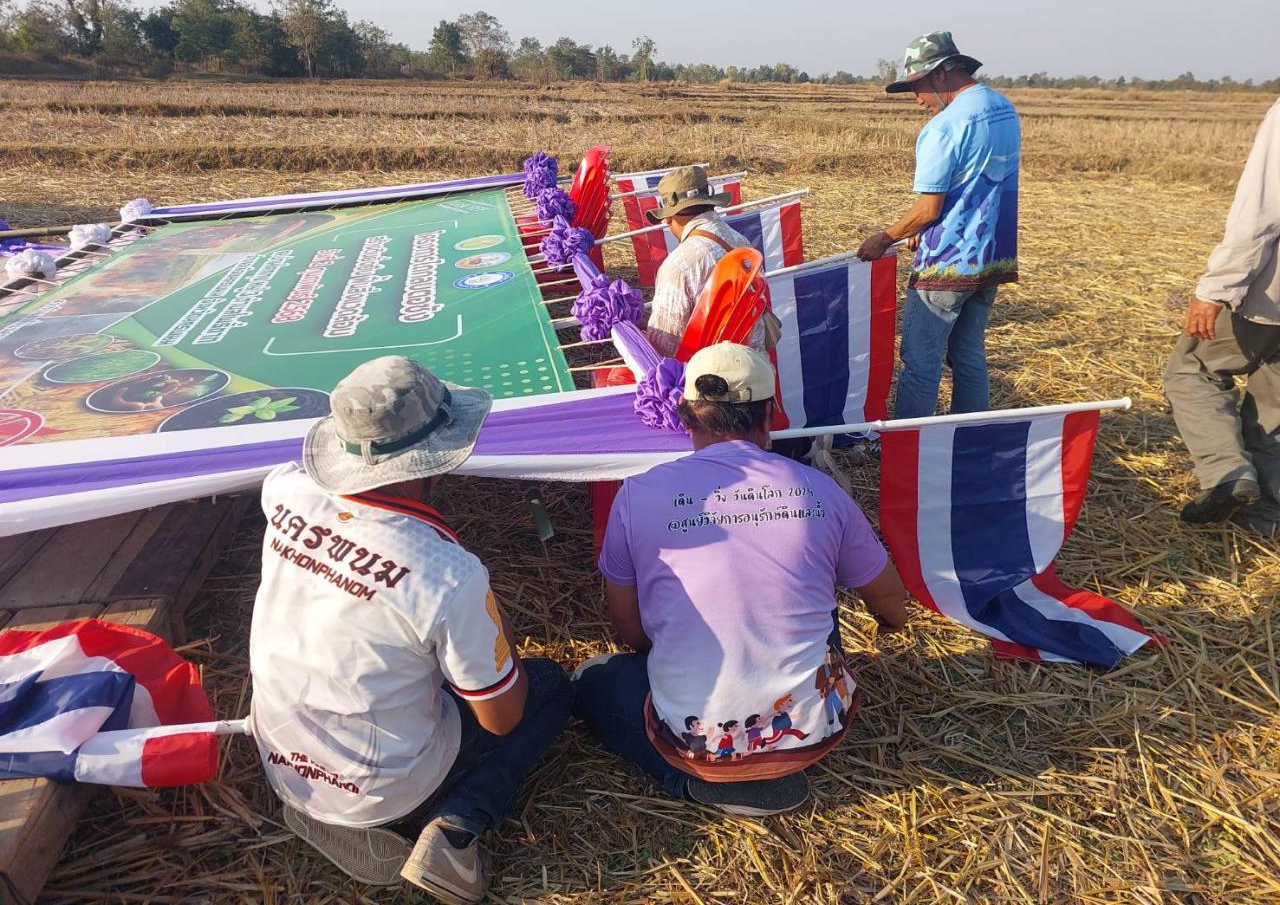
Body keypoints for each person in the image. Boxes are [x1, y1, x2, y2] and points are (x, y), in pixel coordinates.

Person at [249, 356, 571, 902]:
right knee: (547, 688)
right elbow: (501, 716)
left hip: (284, 761)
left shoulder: (283, 491)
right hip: (385, 789)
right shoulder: (447, 573)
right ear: (436, 456)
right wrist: (494, 624)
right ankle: (456, 825)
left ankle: (350, 808)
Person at [573, 343, 910, 816]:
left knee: (595, 681)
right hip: (812, 730)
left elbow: (628, 626)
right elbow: (891, 603)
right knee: (817, 598)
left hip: (693, 735)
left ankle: (699, 780)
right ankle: (775, 765)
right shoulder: (818, 490)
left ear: (686, 416)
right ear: (770, 416)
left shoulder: (638, 494)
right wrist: (888, 629)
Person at [857, 30, 1021, 420]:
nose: (917, 99)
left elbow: (929, 208)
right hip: (992, 258)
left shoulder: (944, 128)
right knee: (968, 354)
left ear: (943, 74)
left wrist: (885, 238)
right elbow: (972, 189)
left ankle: (909, 444)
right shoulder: (1004, 109)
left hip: (948, 264)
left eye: (918, 86)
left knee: (920, 361)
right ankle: (969, 436)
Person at [1164, 96, 1280, 533]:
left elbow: (1261, 214)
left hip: (1272, 296)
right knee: (1275, 401)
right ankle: (1266, 516)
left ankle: (1227, 473)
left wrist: (1216, 289)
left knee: (1191, 368)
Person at [644, 165, 765, 357]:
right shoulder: (742, 243)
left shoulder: (678, 265)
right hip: (754, 368)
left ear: (669, 218)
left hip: (706, 378)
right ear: (710, 203)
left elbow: (664, 346)